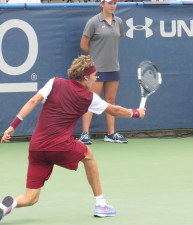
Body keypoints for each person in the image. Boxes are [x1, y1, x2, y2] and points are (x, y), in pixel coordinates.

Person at [0, 55, 145, 221]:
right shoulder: (90, 97)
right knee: (88, 156)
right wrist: (135, 113)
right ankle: (101, 204)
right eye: (94, 76)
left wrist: (12, 126)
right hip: (59, 146)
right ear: (85, 77)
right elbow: (114, 110)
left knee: (31, 197)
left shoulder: (54, 82)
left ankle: (8, 206)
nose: (95, 79)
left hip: (36, 148)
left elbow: (33, 100)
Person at [79, 0, 126, 145]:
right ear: (102, 4)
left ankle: (111, 133)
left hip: (113, 67)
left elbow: (117, 40)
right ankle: (84, 134)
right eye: (110, 3)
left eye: (115, 3)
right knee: (91, 101)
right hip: (96, 70)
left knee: (110, 101)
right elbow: (83, 45)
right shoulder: (93, 22)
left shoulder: (118, 22)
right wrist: (95, 59)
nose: (113, 5)